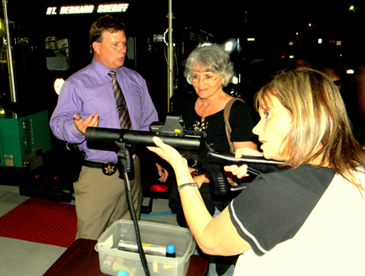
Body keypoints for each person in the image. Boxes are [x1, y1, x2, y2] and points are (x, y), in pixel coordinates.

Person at [148, 68, 365, 276]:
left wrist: (180, 169)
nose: (256, 128)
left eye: (268, 114)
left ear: (302, 118)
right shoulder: (355, 166)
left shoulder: (283, 188)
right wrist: (261, 165)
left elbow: (208, 240)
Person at [50, 14, 168, 240]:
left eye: (124, 43)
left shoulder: (135, 80)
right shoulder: (77, 83)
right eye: (115, 44)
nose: (123, 49)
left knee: (128, 233)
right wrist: (78, 129)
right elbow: (58, 123)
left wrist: (157, 158)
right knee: (89, 239)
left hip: (133, 170)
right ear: (96, 46)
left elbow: (148, 124)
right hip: (98, 175)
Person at [171, 44, 257, 275]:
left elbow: (246, 166)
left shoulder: (237, 111)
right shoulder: (187, 106)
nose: (201, 83)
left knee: (219, 257)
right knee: (193, 255)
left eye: (208, 76)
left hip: (221, 198)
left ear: (224, 76)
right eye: (196, 76)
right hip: (190, 193)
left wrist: (206, 176)